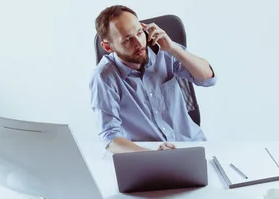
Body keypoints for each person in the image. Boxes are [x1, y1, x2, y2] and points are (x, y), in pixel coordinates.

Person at [90, 5, 217, 154]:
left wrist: (174, 49)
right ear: (107, 46)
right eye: (127, 40)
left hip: (190, 144)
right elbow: (110, 137)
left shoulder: (165, 53)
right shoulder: (104, 77)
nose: (138, 44)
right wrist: (153, 157)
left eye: (139, 32)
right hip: (146, 153)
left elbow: (208, 79)